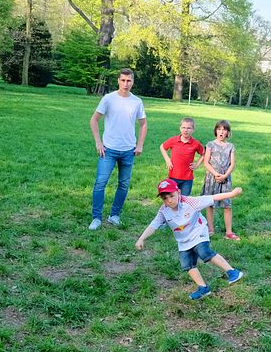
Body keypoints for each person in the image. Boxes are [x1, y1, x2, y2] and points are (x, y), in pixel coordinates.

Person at [135, 179, 245, 300]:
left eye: (171, 196)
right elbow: (153, 225)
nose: (169, 200)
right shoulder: (163, 211)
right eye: (165, 198)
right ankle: (203, 288)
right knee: (187, 264)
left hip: (198, 232)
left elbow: (212, 197)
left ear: (179, 192)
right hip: (183, 241)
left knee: (204, 252)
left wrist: (232, 194)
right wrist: (141, 238)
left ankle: (232, 272)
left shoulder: (191, 202)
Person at [89, 68, 147, 230]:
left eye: (129, 81)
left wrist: (140, 144)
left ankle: (114, 215)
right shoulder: (108, 99)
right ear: (118, 81)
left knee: (123, 184)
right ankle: (96, 218)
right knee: (100, 183)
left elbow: (143, 124)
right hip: (108, 150)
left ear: (133, 82)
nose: (126, 84)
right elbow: (93, 121)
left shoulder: (137, 102)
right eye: (123, 80)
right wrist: (98, 143)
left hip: (128, 150)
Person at [201, 120, 239, 240]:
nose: (221, 132)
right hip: (212, 178)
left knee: (227, 205)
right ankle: (210, 229)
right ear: (216, 131)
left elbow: (232, 164)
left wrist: (225, 175)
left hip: (225, 179)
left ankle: (229, 232)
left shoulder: (230, 146)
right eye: (219, 129)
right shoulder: (210, 144)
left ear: (228, 132)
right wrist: (216, 174)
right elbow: (206, 162)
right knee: (210, 203)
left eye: (224, 129)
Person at [159, 117, 204, 196]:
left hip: (187, 179)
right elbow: (162, 147)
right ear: (180, 128)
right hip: (173, 176)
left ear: (193, 130)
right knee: (172, 198)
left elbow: (204, 153)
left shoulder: (195, 143)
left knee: (184, 200)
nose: (185, 130)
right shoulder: (174, 140)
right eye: (183, 127)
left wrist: (197, 164)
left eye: (188, 128)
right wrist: (167, 160)